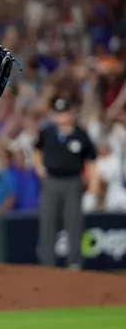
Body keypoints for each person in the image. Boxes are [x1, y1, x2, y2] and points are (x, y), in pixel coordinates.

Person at [34, 96, 98, 270]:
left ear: (72, 113)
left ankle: (75, 263)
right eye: (58, 112)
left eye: (64, 112)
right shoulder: (47, 132)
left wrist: (93, 184)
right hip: (52, 181)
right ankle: (47, 264)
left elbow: (91, 160)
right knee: (48, 223)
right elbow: (37, 150)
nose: (61, 116)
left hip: (73, 181)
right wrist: (40, 169)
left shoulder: (81, 134)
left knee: (74, 223)